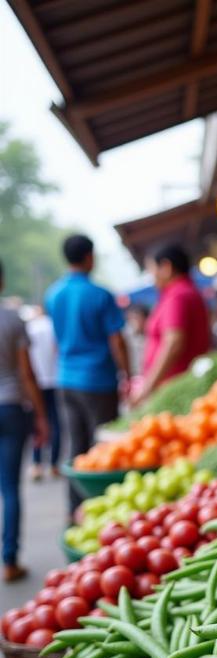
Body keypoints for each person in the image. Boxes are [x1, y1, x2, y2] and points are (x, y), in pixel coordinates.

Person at [46, 234, 130, 515]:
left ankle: (75, 513)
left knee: (76, 449)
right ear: (89, 257)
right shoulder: (100, 295)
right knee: (102, 452)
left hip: (65, 380)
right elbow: (116, 340)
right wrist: (127, 375)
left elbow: (56, 341)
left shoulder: (53, 294)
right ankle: (101, 513)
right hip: (98, 382)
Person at [0, 261, 48, 581]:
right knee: (10, 487)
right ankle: (9, 561)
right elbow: (27, 373)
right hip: (11, 407)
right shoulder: (13, 319)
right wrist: (42, 415)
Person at [134, 243, 210, 404]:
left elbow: (174, 343)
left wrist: (147, 388)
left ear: (166, 267)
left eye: (152, 270)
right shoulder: (186, 292)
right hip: (181, 387)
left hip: (173, 391)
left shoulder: (178, 295)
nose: (152, 277)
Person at [26, 306, 61, 479]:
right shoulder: (53, 326)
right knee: (55, 422)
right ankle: (54, 464)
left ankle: (37, 463)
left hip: (35, 381)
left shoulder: (30, 328)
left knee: (37, 422)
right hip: (54, 379)